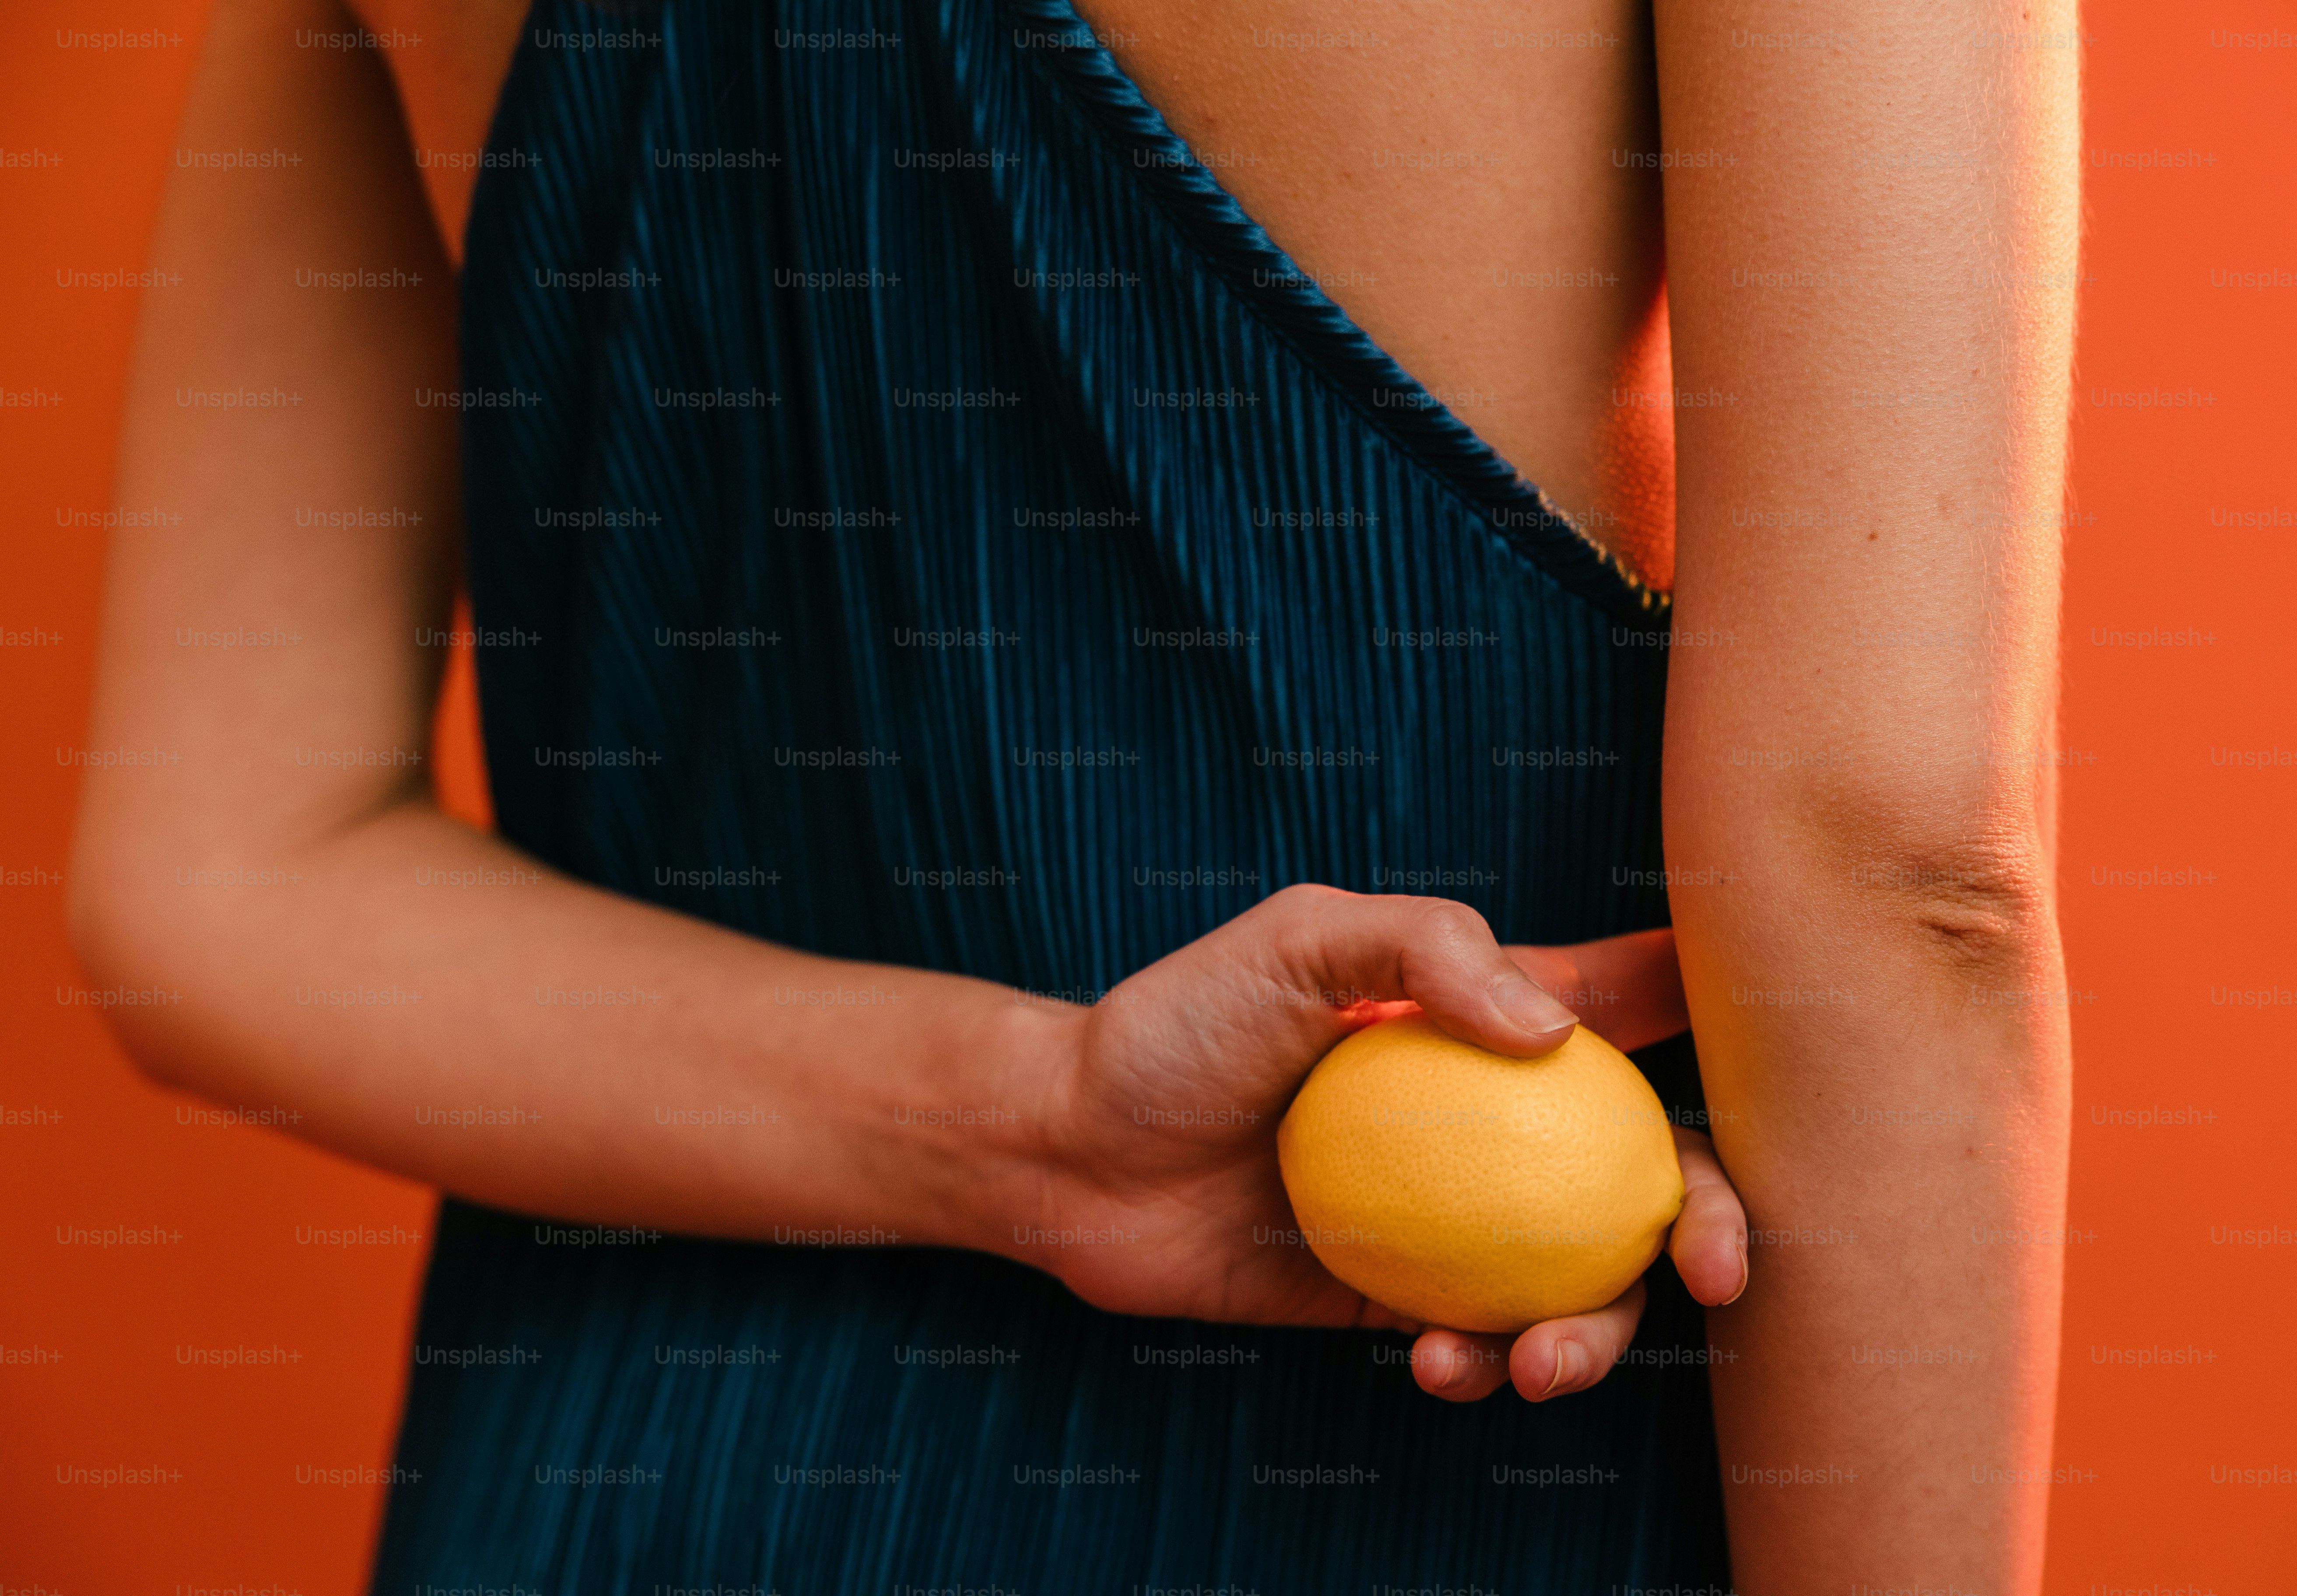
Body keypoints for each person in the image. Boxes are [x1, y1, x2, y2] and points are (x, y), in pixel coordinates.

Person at [70, 0, 2078, 1589]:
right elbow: (1894, 881)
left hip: (604, 1486)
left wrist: (1035, 1134)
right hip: (1407, 1496)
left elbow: (220, 881)